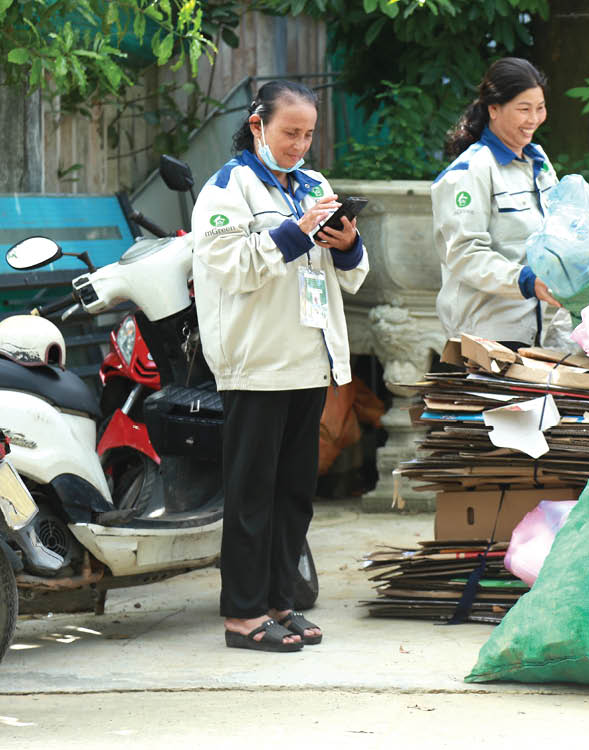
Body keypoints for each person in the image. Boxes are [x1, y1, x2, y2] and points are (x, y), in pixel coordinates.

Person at [193, 80, 369, 652]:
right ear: (257, 125)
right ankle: (242, 617)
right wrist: (297, 230)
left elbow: (349, 272)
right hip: (257, 363)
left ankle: (279, 602)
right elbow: (230, 267)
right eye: (289, 132)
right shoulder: (228, 187)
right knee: (251, 495)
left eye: (308, 133)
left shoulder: (315, 184)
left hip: (309, 361)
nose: (299, 144)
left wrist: (345, 242)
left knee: (294, 494)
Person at [432, 57, 560, 348]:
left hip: (534, 336)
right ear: (494, 110)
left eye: (540, 108)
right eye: (524, 109)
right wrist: (527, 282)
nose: (534, 119)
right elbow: (465, 253)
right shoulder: (468, 172)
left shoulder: (538, 163)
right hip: (485, 336)